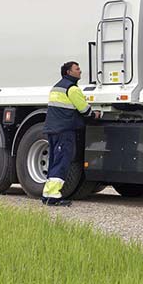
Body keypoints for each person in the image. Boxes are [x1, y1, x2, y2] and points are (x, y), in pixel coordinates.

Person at [41, 61, 100, 206]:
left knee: (55, 161)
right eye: (77, 69)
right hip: (64, 130)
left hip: (53, 130)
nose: (80, 71)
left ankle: (47, 194)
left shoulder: (57, 87)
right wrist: (96, 115)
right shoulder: (72, 89)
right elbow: (84, 110)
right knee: (62, 162)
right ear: (69, 72)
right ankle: (53, 196)